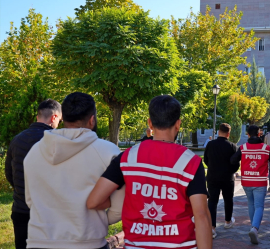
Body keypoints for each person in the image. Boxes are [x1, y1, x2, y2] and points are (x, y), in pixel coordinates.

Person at [87, 95, 212, 249]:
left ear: (150, 123)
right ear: (178, 124)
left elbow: (93, 201)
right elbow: (201, 215)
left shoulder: (127, 158)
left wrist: (130, 199)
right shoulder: (190, 162)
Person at [23, 92, 123, 249]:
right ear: (92, 120)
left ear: (64, 118)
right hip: (87, 241)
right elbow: (118, 207)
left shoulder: (34, 151)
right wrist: (99, 220)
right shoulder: (108, 151)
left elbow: (30, 200)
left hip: (39, 240)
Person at [5, 99, 61, 249]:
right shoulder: (58, 141)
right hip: (49, 214)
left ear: (38, 116)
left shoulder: (16, 140)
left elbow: (9, 173)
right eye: (59, 121)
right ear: (54, 117)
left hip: (21, 210)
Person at [230, 125, 270, 244]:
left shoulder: (243, 147)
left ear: (248, 134)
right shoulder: (266, 148)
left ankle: (253, 227)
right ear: (259, 134)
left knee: (251, 204)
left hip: (246, 181)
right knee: (259, 206)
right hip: (260, 181)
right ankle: (255, 228)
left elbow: (232, 160)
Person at [204, 123, 238, 238]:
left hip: (213, 176)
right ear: (228, 133)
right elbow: (236, 164)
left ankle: (212, 228)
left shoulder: (210, 144)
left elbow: (205, 160)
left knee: (212, 201)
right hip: (227, 177)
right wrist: (230, 171)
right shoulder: (232, 146)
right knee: (228, 199)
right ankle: (228, 221)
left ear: (218, 131)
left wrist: (212, 168)